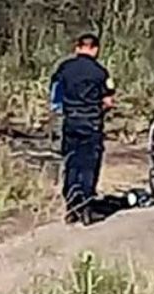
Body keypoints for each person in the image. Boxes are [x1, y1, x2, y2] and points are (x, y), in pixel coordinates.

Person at [50, 33, 116, 225]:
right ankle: (86, 208)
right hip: (91, 123)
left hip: (70, 122)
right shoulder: (100, 72)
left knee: (71, 163)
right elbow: (108, 102)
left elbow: (55, 97)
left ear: (78, 47)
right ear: (95, 49)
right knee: (88, 165)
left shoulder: (64, 68)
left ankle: (71, 206)